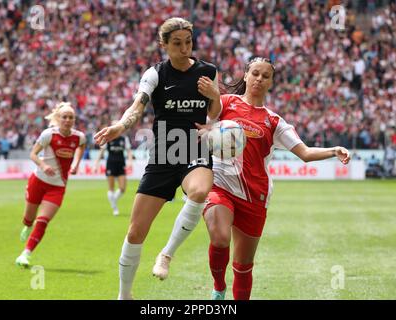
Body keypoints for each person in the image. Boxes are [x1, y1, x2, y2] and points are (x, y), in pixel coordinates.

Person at [199, 57, 350, 300]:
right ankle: (218, 287)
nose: (259, 79)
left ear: (271, 83)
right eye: (255, 73)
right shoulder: (225, 103)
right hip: (220, 183)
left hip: (255, 194)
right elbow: (204, 123)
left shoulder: (274, 121)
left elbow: (305, 153)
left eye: (265, 76)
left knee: (243, 264)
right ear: (246, 75)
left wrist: (334, 151)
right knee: (219, 237)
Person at [94, 17, 221, 300]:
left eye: (188, 42)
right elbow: (137, 106)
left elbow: (214, 116)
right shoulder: (155, 74)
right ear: (163, 44)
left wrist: (216, 96)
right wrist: (120, 126)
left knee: (200, 190)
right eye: (177, 43)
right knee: (136, 232)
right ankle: (124, 295)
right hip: (163, 153)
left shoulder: (208, 72)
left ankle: (166, 254)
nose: (184, 48)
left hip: (195, 148)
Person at [15, 102, 86, 267]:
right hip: (37, 182)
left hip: (57, 187)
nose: (68, 120)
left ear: (74, 120)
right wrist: (43, 165)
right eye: (65, 117)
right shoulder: (48, 134)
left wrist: (76, 164)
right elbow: (33, 154)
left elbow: (81, 147)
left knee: (42, 220)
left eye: (71, 117)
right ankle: (26, 225)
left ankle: (25, 254)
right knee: (29, 219)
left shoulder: (79, 137)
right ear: (58, 118)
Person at [94, 121, 133, 216]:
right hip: (110, 164)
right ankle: (115, 208)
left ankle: (113, 201)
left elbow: (128, 151)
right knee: (111, 188)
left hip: (121, 164)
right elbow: (101, 151)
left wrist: (130, 161)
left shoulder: (124, 138)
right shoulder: (108, 138)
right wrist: (97, 163)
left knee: (123, 188)